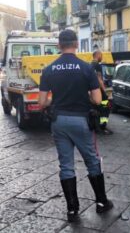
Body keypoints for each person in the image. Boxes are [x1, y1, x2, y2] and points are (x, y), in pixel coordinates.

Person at [38, 29, 113, 222]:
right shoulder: (86, 68)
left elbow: (42, 102)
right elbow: (97, 99)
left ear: (59, 45)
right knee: (92, 160)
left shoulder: (49, 69)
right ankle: (101, 202)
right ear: (77, 44)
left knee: (66, 165)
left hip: (59, 121)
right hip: (81, 120)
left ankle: (72, 210)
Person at [91, 50, 113, 135]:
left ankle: (96, 127)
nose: (102, 57)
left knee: (96, 109)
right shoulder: (97, 65)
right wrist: (106, 91)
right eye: (101, 55)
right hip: (99, 91)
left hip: (93, 91)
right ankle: (102, 127)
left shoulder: (90, 65)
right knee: (105, 108)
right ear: (98, 55)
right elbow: (99, 79)